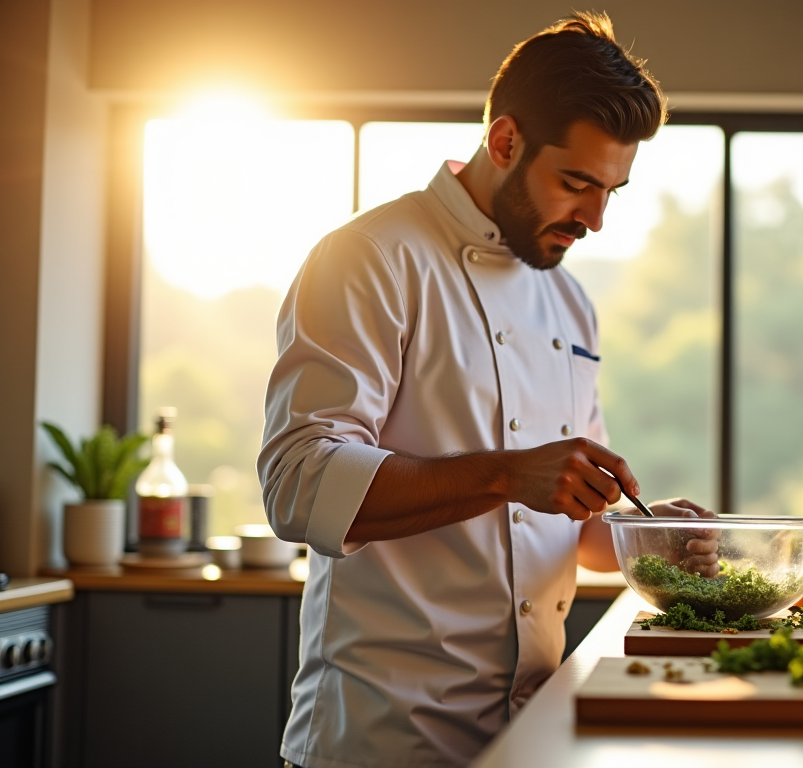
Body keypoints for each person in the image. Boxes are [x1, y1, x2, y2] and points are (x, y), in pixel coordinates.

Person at [257, 13, 718, 768]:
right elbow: (301, 487)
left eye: (612, 190)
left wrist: (643, 538)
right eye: (576, 183)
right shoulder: (370, 258)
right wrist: (509, 472)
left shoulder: (569, 302)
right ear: (505, 142)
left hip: (531, 736)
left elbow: (566, 526)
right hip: (386, 738)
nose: (596, 219)